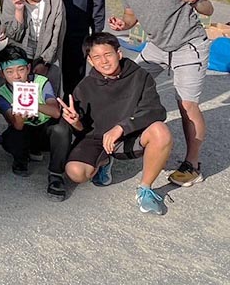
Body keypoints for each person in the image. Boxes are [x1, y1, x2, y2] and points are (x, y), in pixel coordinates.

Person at [111, 0, 213, 187]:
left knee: (186, 105)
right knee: (126, 83)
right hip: (157, 45)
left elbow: (208, 9)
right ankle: (126, 142)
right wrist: (122, 23)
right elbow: (130, 15)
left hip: (188, 44)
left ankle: (193, 164)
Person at [61, 33, 173, 215]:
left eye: (108, 54)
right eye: (96, 57)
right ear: (90, 61)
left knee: (161, 131)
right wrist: (75, 122)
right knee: (75, 172)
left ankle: (145, 189)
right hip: (96, 138)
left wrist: (122, 127)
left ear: (119, 54)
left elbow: (156, 111)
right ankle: (103, 161)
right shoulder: (85, 86)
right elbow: (83, 131)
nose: (104, 61)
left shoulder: (140, 76)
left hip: (128, 136)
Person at [0, 45, 70, 201]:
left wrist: (33, 103)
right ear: (2, 73)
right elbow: (17, 126)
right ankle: (21, 159)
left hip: (45, 131)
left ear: (28, 68)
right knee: (10, 138)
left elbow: (55, 111)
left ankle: (56, 174)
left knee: (62, 129)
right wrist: (20, 115)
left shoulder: (41, 82)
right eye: (9, 72)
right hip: (24, 132)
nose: (16, 76)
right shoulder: (2, 93)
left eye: (21, 69)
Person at [0, 0, 66, 93]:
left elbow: (57, 37)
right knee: (16, 105)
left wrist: (45, 63)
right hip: (18, 60)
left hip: (47, 57)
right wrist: (19, 10)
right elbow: (13, 36)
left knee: (46, 99)